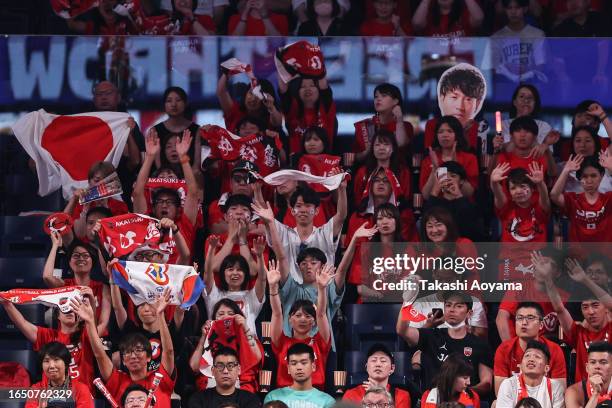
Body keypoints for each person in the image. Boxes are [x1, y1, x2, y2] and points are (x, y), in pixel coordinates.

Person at [74, 292, 176, 408]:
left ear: (149, 357)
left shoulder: (160, 380)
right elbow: (99, 355)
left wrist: (160, 314)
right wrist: (90, 322)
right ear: (123, 361)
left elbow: (168, 352)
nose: (133, 356)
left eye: (138, 350)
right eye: (127, 352)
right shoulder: (117, 382)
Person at [397, 291, 493, 397]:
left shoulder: (479, 344)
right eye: (448, 305)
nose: (452, 309)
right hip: (433, 401)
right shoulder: (431, 336)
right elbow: (402, 330)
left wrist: (462, 392)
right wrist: (407, 302)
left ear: (469, 313)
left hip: (465, 401)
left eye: (459, 306)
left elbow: (486, 383)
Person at [254, 176, 347, 286]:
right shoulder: (284, 233)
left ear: (316, 211)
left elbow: (341, 216)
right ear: (292, 211)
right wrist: (257, 189)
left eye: (308, 206)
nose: (303, 210)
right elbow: (264, 214)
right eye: (298, 206)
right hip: (292, 296)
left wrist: (341, 189)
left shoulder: (324, 233)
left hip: (322, 294)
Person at [536, 254, 612, 383]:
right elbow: (559, 309)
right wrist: (548, 278)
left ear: (606, 308)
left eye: (595, 305)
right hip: (583, 394)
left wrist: (585, 280)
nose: (591, 312)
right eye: (585, 307)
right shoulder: (577, 334)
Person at [0, 294, 96, 393]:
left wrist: (91, 301)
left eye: (73, 309)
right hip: (54, 396)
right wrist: (7, 304)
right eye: (65, 308)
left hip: (83, 394)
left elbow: (92, 321)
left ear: (80, 316)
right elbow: (22, 323)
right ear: (57, 315)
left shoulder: (87, 334)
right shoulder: (47, 335)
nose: (69, 311)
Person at [132, 128, 199, 264]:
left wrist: (183, 158)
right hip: (148, 280)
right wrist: (150, 157)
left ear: (178, 208)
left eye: (170, 202)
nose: (164, 204)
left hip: (177, 280)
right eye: (160, 201)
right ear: (153, 208)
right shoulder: (145, 224)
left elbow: (193, 192)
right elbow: (138, 192)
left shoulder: (184, 224)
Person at [267, 255, 333, 389]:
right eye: (298, 315)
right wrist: (273, 286)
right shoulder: (281, 342)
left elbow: (321, 314)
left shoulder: (320, 342)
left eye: (308, 316)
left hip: (315, 396)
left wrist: (321, 288)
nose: (303, 319)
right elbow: (277, 313)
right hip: (285, 397)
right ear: (290, 320)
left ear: (314, 322)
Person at [189, 299, 263, 394]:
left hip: (241, 388)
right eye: (221, 314)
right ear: (213, 319)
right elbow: (194, 366)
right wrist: (204, 336)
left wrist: (245, 326)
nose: (225, 317)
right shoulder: (207, 337)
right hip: (211, 388)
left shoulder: (247, 338)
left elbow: (257, 358)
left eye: (230, 313)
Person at [493, 302, 567, 396]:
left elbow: (560, 391)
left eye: (530, 318)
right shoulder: (504, 349)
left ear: (541, 324)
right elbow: (500, 393)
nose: (524, 323)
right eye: (519, 318)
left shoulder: (554, 349)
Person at [43, 238, 110, 335]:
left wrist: (86, 341)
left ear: (92, 262)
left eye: (86, 256)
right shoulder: (64, 286)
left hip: (96, 339)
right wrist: (55, 245)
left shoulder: (103, 288)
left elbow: (103, 323)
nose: (81, 258)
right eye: (76, 256)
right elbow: (47, 277)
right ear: (70, 263)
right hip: (68, 341)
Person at [203, 233, 267, 335]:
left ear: (246, 274)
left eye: (240, 270)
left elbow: (262, 278)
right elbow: (207, 272)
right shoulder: (215, 295)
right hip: (218, 346)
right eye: (230, 269)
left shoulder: (251, 297)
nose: (235, 273)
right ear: (223, 273)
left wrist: (259, 256)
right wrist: (211, 249)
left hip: (248, 345)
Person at [408, 266, 488, 338]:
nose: (443, 284)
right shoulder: (420, 303)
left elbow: (481, 338)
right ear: (434, 275)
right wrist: (429, 326)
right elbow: (411, 340)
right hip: (432, 351)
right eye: (439, 280)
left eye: (448, 280)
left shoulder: (474, 303)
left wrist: (466, 327)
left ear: (458, 277)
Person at [550, 154, 612, 243]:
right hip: (578, 256)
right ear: (580, 178)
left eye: (593, 176)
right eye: (585, 176)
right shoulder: (573, 199)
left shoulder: (608, 199)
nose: (589, 181)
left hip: (605, 256)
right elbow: (554, 195)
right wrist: (566, 170)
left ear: (601, 176)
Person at [423, 65, 486, 151]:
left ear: (477, 104)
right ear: (441, 98)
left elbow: (471, 155)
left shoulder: (475, 127)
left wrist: (463, 131)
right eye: (454, 97)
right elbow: (429, 155)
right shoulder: (432, 125)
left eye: (468, 99)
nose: (460, 106)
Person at [422, 161, 485, 242]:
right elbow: (426, 223)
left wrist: (458, 195)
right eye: (444, 176)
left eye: (453, 176)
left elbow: (473, 231)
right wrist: (435, 190)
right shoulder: (435, 203)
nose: (448, 179)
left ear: (461, 181)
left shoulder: (468, 205)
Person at [420, 116, 478, 200]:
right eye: (440, 132)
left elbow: (468, 193)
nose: (445, 135)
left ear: (457, 135)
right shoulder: (428, 160)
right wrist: (435, 169)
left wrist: (455, 166)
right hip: (437, 209)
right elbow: (426, 196)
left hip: (461, 207)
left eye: (450, 131)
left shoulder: (470, 159)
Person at [278, 72, 337, 156]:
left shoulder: (326, 110)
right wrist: (280, 63)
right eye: (303, 86)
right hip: (297, 166)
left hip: (324, 165)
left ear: (318, 89)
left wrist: (316, 66)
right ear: (297, 92)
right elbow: (283, 91)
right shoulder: (292, 111)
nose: (307, 89)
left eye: (312, 85)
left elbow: (324, 88)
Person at [352, 84, 413, 164]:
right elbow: (354, 158)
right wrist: (366, 152)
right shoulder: (364, 125)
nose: (378, 99)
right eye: (376, 96)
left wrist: (399, 119)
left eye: (384, 96)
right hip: (369, 172)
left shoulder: (405, 126)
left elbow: (401, 144)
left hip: (398, 172)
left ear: (395, 101)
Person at [495, 340, 565, 408]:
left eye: (537, 356)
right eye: (527, 355)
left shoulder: (555, 387)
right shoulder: (508, 385)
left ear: (546, 368)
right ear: (521, 365)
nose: (531, 359)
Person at [263, 343, 336, 407]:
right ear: (288, 368)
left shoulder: (327, 401)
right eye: (294, 363)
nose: (299, 367)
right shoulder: (273, 397)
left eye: (304, 363)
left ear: (313, 366)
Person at [490, 2, 546, 86]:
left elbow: (541, 66)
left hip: (531, 84)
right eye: (509, 8)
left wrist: (525, 68)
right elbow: (492, 69)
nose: (513, 12)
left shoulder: (537, 34)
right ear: (505, 10)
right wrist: (507, 68)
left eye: (517, 7)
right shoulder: (496, 37)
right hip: (505, 85)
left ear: (525, 9)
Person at [353, 129, 412, 207]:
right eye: (377, 145)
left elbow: (405, 198)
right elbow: (358, 199)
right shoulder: (362, 172)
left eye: (386, 144)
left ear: (393, 148)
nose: (381, 148)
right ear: (372, 149)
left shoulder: (403, 171)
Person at [25, 342, 94, 408]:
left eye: (56, 360)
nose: (51, 366)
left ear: (66, 364)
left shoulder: (81, 389)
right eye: (46, 361)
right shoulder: (36, 389)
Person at [188, 347, 261, 408]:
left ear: (238, 370)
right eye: (220, 366)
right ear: (213, 370)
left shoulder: (250, 400)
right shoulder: (199, 399)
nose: (225, 371)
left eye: (230, 366)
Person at [153, 87, 201, 178]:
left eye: (178, 100)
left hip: (189, 179)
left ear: (185, 103)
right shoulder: (156, 130)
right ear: (164, 105)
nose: (174, 104)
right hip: (163, 180)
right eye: (169, 101)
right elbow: (157, 166)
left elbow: (196, 166)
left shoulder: (196, 130)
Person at [342, 343, 410, 407]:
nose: (378, 364)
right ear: (366, 367)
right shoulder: (351, 394)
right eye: (374, 360)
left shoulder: (402, 395)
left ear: (392, 368)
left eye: (383, 361)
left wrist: (380, 393)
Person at [216, 70, 282, 133]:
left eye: (258, 96)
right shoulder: (235, 112)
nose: (253, 99)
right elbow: (221, 92)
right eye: (251, 93)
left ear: (266, 99)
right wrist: (226, 73)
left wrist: (271, 107)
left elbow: (278, 122)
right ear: (245, 93)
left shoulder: (271, 117)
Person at [500, 85, 555, 153]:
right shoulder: (503, 125)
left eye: (530, 98)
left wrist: (544, 145)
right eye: (521, 96)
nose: (526, 100)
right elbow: (499, 152)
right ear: (514, 102)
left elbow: (549, 156)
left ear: (535, 103)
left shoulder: (544, 126)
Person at [558, 126, 612, 193]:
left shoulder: (606, 164)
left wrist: (602, 115)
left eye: (587, 141)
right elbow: (554, 196)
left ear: (595, 144)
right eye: (578, 140)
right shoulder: (563, 167)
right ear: (573, 144)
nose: (582, 145)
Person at [565, 342, 612, 408]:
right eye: (593, 362)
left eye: (603, 362)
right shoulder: (574, 392)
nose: (597, 366)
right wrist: (596, 394)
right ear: (587, 368)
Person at [412, 0, 484, 37]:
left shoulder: (465, 12)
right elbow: (417, 23)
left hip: (461, 62)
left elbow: (478, 19)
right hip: (434, 60)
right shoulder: (428, 13)